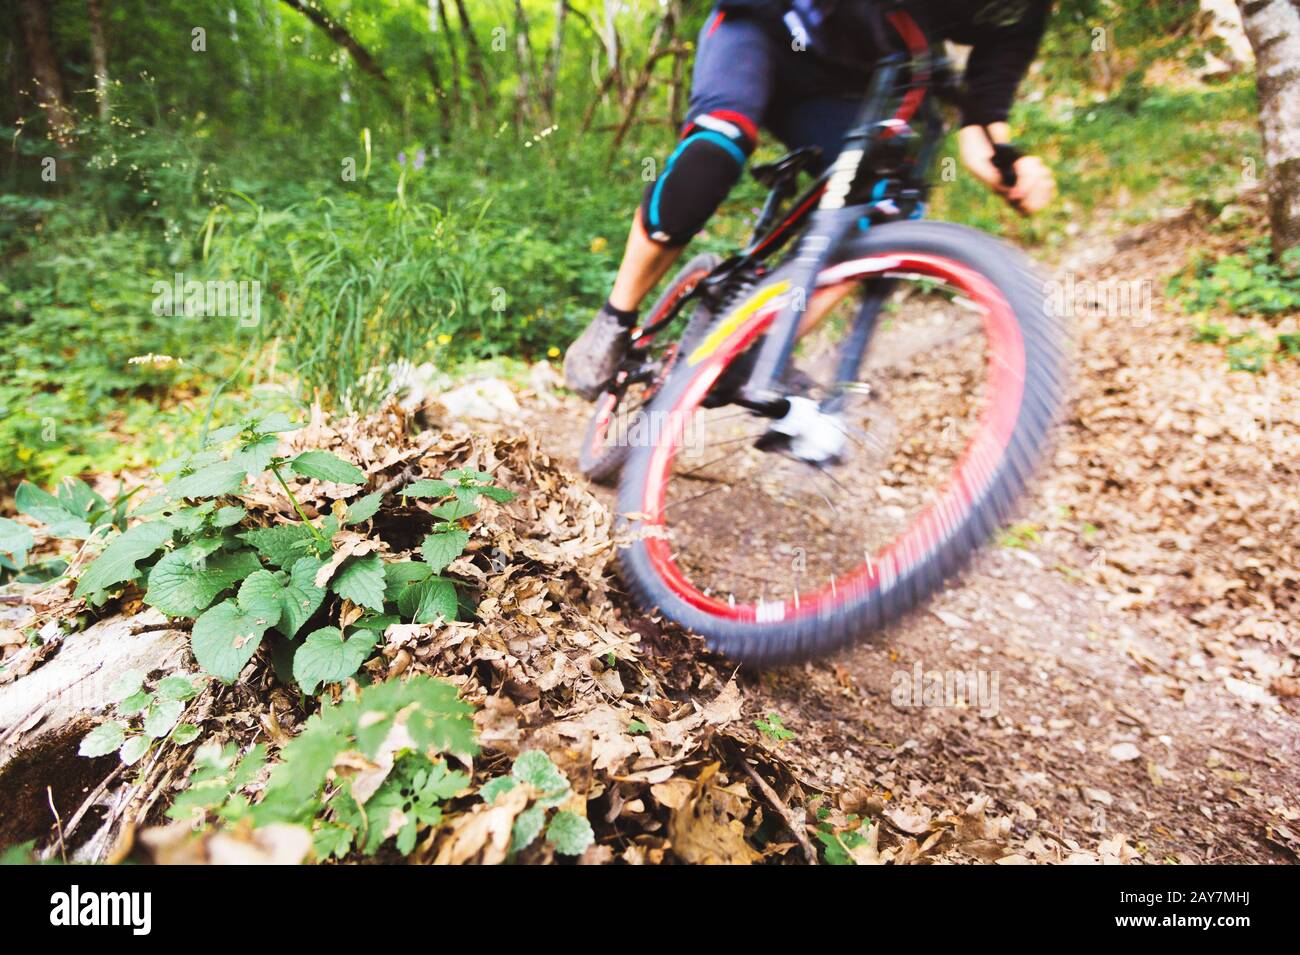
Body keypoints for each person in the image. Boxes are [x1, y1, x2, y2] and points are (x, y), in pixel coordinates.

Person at [564, 0, 1057, 399]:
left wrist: (1012, 164)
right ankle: (615, 318)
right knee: (716, 151)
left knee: (886, 210)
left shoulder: (1019, 11)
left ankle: (760, 348)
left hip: (844, 91)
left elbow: (982, 124)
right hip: (763, 28)